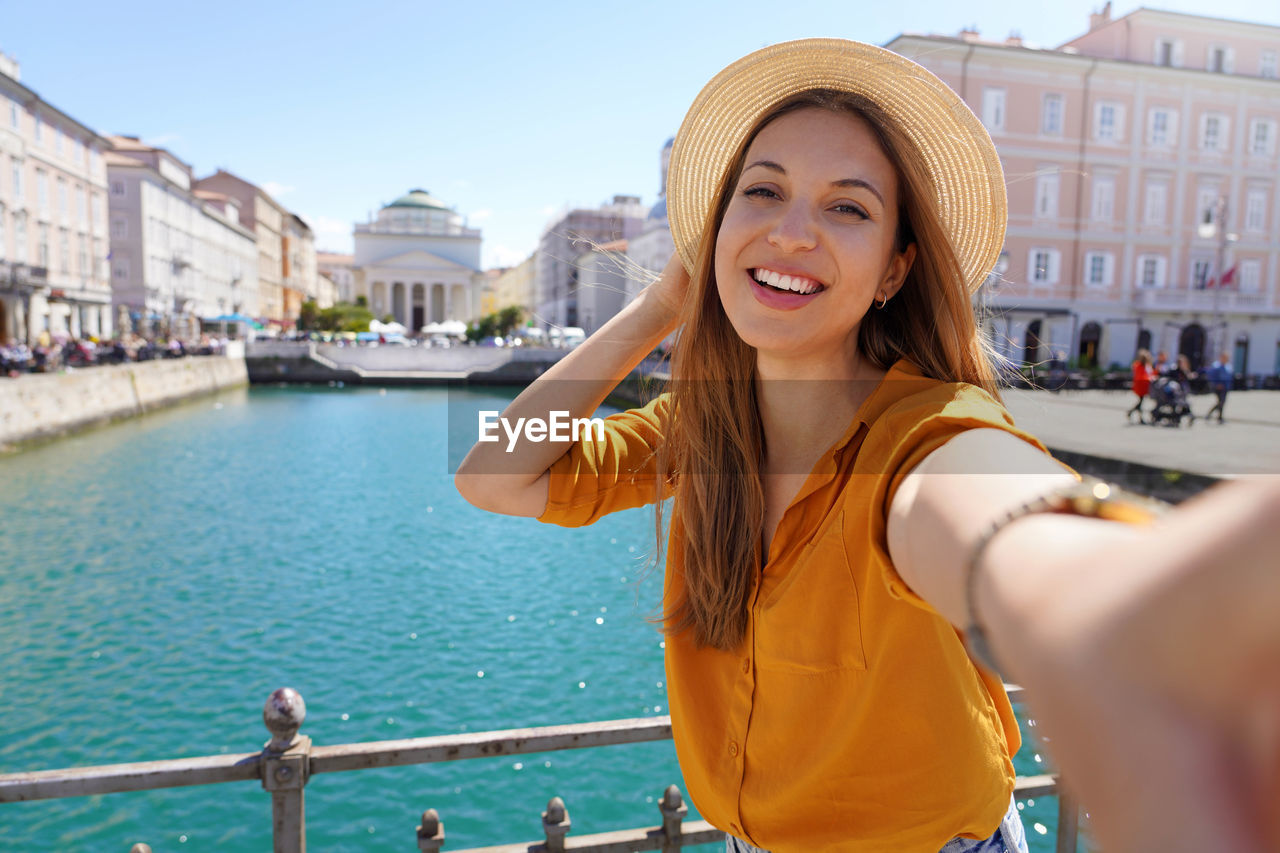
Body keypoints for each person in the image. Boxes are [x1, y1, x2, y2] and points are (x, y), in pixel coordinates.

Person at [456, 39, 1280, 853]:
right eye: (762, 191)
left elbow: (973, 497)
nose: (789, 231)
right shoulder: (697, 428)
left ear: (894, 270)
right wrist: (655, 312)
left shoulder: (926, 424)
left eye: (847, 207)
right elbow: (495, 475)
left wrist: (1100, 592)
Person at [1127, 348, 1155, 422]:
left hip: (1144, 385)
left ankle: (1132, 413)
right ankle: (1137, 416)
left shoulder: (1147, 365)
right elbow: (1140, 375)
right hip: (1140, 385)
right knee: (1141, 402)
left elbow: (1151, 373)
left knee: (1141, 402)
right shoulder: (1138, 365)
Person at [1205, 352, 1232, 423]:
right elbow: (1211, 376)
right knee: (1220, 402)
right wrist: (1216, 384)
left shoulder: (1228, 366)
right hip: (1218, 387)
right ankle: (1211, 415)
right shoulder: (1216, 366)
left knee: (1222, 402)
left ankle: (1219, 417)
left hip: (1225, 387)